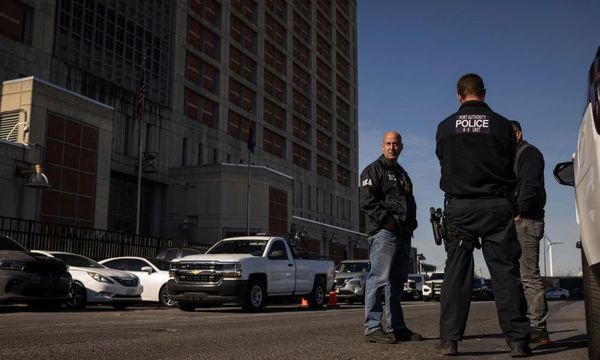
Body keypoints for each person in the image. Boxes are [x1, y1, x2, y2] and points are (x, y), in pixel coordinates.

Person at [435, 74, 531, 357]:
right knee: (504, 273)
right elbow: (511, 168)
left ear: (458, 95)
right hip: (495, 205)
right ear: (484, 93)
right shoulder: (502, 125)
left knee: (456, 275)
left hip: (460, 207)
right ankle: (518, 341)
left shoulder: (444, 127)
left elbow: (444, 161)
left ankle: (450, 340)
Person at [359, 131, 422, 344]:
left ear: (402, 147)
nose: (392, 147)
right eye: (388, 143)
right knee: (378, 279)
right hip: (384, 232)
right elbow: (367, 201)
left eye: (396, 144)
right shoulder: (373, 170)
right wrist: (388, 221)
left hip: (403, 234)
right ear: (382, 146)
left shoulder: (403, 174)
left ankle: (397, 326)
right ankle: (372, 327)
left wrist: (411, 222)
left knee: (396, 283)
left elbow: (409, 201)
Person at [510, 120, 550, 345]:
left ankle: (538, 328)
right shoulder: (513, 156)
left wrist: (518, 211)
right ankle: (529, 325)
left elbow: (530, 186)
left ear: (517, 133)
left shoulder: (529, 153)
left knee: (529, 276)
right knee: (519, 277)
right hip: (520, 220)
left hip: (526, 220)